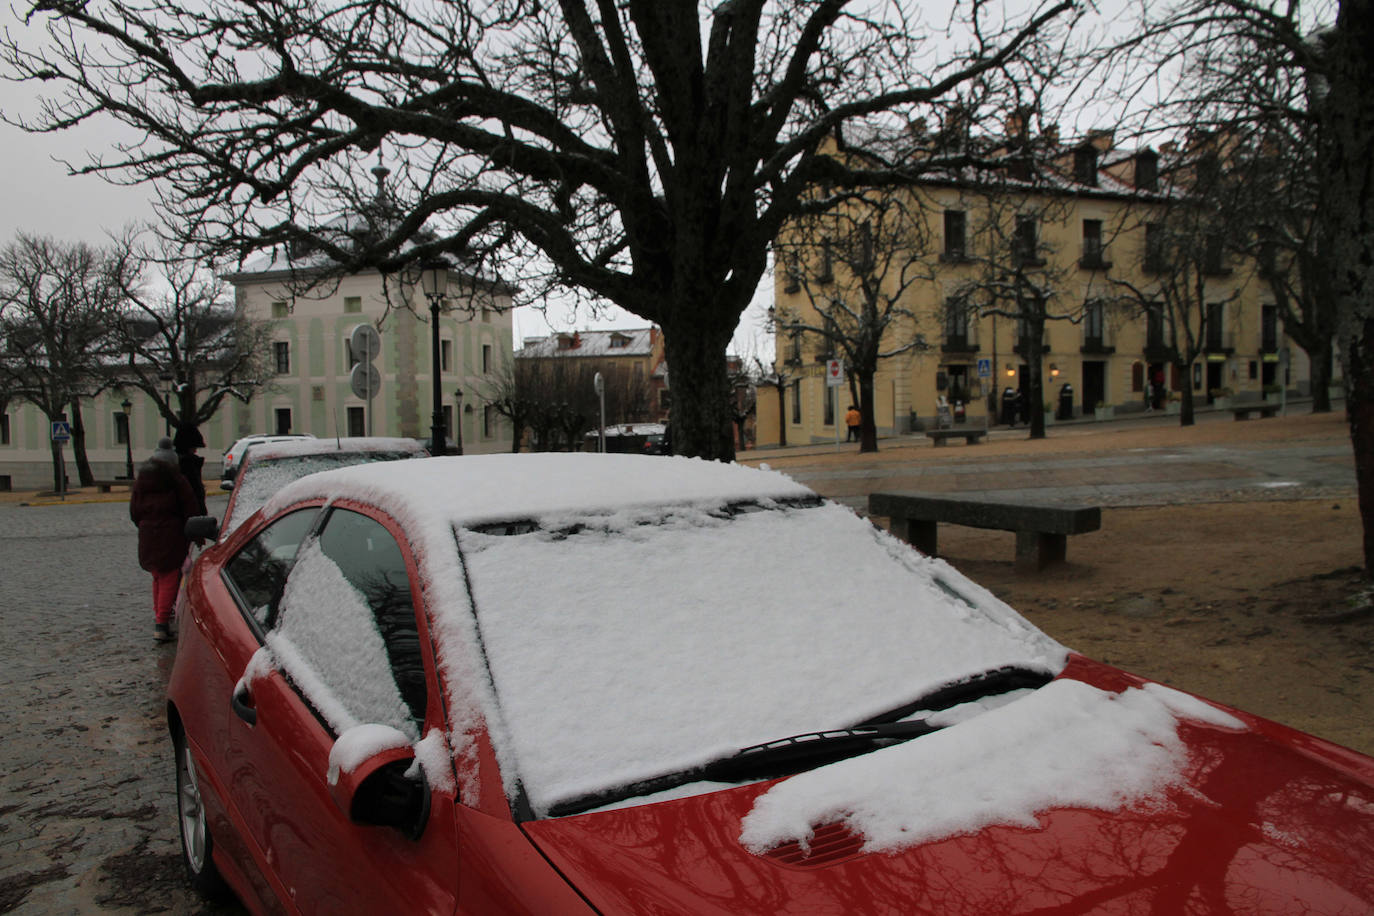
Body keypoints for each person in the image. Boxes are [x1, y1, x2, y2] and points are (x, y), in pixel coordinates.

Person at [130, 437, 199, 643]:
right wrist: (195, 533)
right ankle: (161, 622)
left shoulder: (142, 482)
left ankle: (161, 616)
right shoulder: (177, 481)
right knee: (169, 577)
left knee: (158, 576)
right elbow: (190, 508)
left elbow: (134, 511)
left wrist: (145, 526)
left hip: (148, 534)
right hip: (172, 535)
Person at [172, 423, 208, 516]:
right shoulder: (188, 466)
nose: (195, 451)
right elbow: (195, 495)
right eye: (194, 447)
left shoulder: (177, 464)